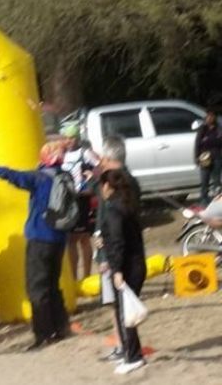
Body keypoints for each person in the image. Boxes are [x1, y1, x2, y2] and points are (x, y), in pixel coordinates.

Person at [0, 143, 70, 350]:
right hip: (59, 239)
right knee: (53, 285)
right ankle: (61, 328)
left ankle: (43, 335)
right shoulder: (66, 177)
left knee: (36, 288)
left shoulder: (39, 178)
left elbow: (11, 175)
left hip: (40, 238)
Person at [94, 135, 141, 362]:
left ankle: (126, 349)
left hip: (119, 255)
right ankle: (124, 346)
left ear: (110, 157)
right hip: (117, 250)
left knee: (120, 305)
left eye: (103, 156)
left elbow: (115, 225)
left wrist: (105, 255)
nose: (100, 160)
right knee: (117, 305)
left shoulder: (118, 184)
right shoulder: (124, 180)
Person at [99, 169, 147, 375]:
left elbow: (118, 242)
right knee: (126, 311)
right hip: (137, 263)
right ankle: (132, 353)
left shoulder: (113, 210)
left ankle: (133, 356)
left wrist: (117, 270)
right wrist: (105, 241)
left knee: (124, 313)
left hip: (127, 267)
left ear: (107, 186)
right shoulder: (128, 205)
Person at [61, 124, 100, 279]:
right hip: (68, 200)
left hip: (82, 198)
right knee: (71, 240)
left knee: (83, 238)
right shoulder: (62, 154)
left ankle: (87, 276)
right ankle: (73, 277)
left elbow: (100, 167)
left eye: (71, 138)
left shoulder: (85, 153)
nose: (68, 141)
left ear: (77, 138)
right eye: (66, 138)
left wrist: (92, 175)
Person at [195, 109, 221, 206]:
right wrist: (197, 157)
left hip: (217, 158)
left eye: (212, 116)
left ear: (215, 117)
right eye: (208, 116)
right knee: (204, 181)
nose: (210, 118)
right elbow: (197, 144)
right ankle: (203, 201)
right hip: (204, 159)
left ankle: (217, 202)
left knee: (216, 182)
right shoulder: (202, 129)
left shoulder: (219, 129)